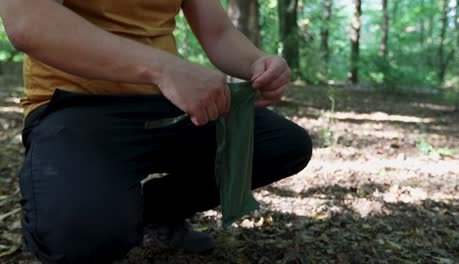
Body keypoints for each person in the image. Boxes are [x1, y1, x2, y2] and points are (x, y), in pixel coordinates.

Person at [0, 0, 313, 263]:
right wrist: (163, 68)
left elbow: (219, 33)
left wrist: (258, 63)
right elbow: (28, 20)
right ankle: (81, 207)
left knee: (282, 144)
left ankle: (153, 210)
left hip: (165, 101)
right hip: (73, 105)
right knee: (80, 236)